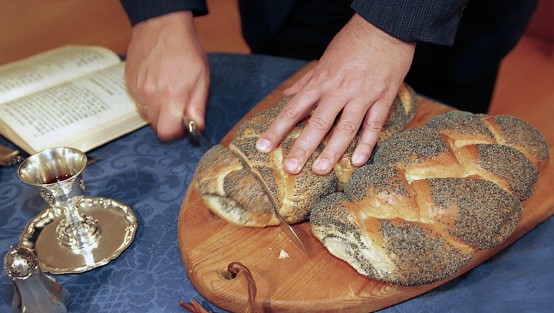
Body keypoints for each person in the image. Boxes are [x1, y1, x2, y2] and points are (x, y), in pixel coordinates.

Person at [119, 0, 537, 176]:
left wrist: (392, 24)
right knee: (294, 99)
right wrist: (158, 12)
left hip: (443, 19)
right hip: (291, 9)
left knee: (435, 154)